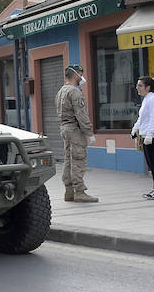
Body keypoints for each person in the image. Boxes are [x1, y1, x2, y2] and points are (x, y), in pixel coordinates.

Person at [56, 65, 98, 203]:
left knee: (68, 159)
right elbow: (81, 114)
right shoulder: (75, 92)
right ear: (75, 75)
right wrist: (89, 133)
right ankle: (79, 191)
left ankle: (69, 191)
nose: (82, 77)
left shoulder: (61, 91)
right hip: (75, 130)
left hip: (64, 129)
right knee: (78, 159)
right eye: (81, 74)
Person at [132, 76, 154, 200]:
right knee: (151, 164)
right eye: (137, 85)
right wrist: (135, 129)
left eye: (140, 85)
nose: (137, 88)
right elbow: (142, 118)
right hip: (147, 135)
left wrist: (150, 134)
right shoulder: (147, 99)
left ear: (148, 87)